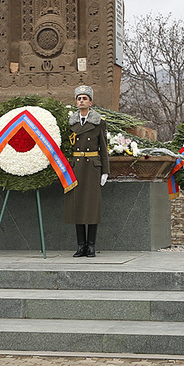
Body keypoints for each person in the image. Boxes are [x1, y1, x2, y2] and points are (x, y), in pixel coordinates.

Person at [63, 85, 109, 257]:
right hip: (76, 168)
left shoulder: (99, 122)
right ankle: (81, 245)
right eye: (79, 98)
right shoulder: (71, 122)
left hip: (92, 168)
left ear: (91, 102)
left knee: (91, 207)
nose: (81, 101)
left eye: (85, 98)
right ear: (76, 102)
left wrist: (105, 171)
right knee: (78, 207)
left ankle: (91, 245)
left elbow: (103, 148)